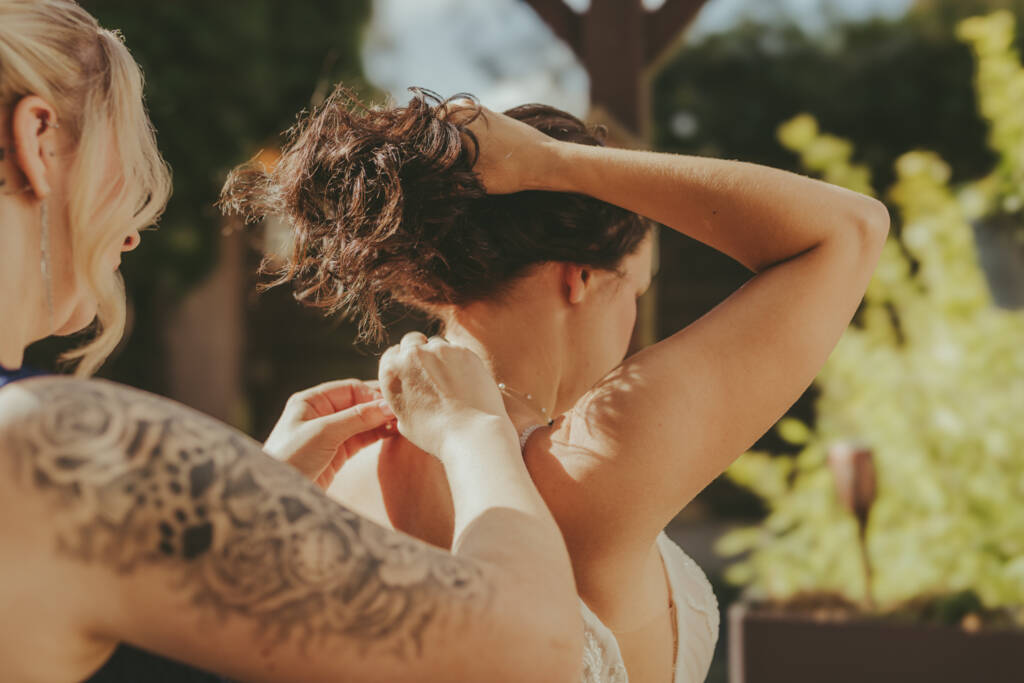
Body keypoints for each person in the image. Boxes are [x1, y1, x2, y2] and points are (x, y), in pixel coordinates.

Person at [221, 88, 891, 683]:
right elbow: (850, 229)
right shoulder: (595, 457)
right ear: (585, 277)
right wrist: (554, 164)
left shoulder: (331, 461)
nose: (633, 321)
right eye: (638, 287)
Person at [0, 3, 584, 682]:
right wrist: (474, 429)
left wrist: (252, 495)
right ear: (39, 139)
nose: (130, 232)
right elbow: (531, 653)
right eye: (120, 158)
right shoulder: (52, 446)